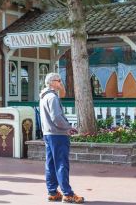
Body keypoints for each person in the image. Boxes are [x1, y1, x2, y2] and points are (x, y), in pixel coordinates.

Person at [39, 73, 84, 203]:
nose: (61, 83)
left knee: (51, 164)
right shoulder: (52, 97)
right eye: (59, 81)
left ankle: (52, 192)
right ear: (52, 82)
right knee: (61, 164)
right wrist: (68, 127)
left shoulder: (43, 96)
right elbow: (57, 118)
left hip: (48, 134)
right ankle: (67, 194)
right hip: (58, 135)